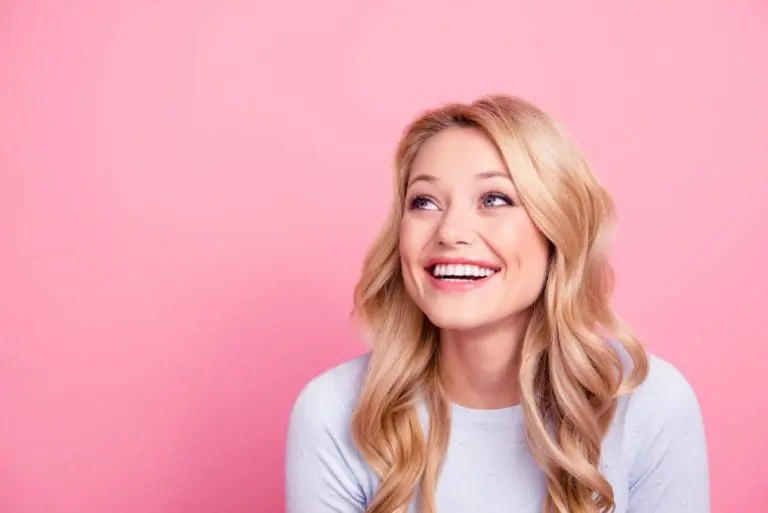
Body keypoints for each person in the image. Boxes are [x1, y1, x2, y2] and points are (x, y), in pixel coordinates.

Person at [284, 94, 710, 513]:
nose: (450, 231)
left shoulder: (646, 402)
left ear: (556, 229)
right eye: (424, 202)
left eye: (494, 199)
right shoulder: (336, 413)